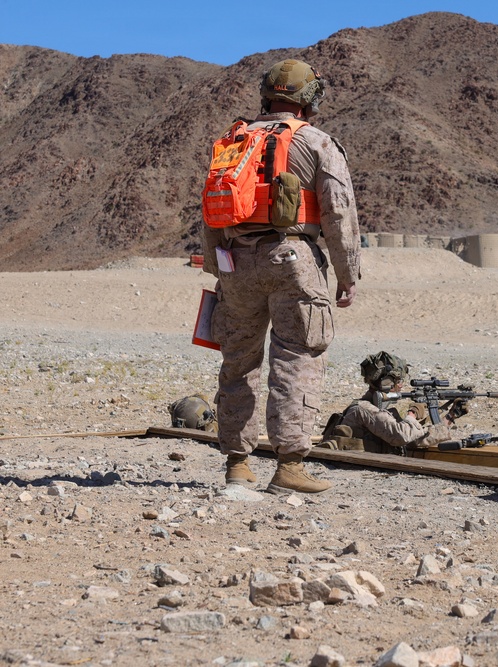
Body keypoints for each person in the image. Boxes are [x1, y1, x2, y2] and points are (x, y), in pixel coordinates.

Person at [201, 58, 362, 494]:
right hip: (293, 259)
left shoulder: (233, 140)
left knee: (239, 362)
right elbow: (339, 213)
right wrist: (348, 275)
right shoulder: (316, 142)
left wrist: (219, 269)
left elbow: (212, 211)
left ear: (266, 95)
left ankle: (237, 464)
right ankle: (289, 467)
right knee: (297, 359)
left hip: (235, 261)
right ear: (309, 100)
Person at [338, 352, 458, 454]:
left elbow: (413, 440)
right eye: (398, 380)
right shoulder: (364, 409)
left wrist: (451, 416)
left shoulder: (379, 411)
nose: (401, 385)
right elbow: (401, 436)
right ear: (386, 382)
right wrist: (412, 414)